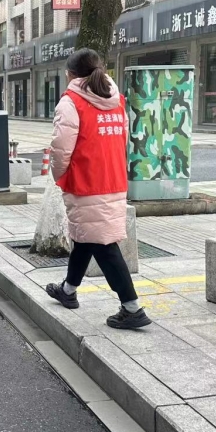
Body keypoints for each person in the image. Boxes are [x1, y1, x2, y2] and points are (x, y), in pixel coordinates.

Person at [44, 48, 150, 330]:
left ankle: (132, 307)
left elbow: (60, 149)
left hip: (86, 183)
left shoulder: (71, 102)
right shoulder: (116, 100)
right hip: (113, 180)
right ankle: (67, 291)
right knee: (86, 236)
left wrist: (59, 175)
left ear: (70, 73)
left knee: (103, 244)